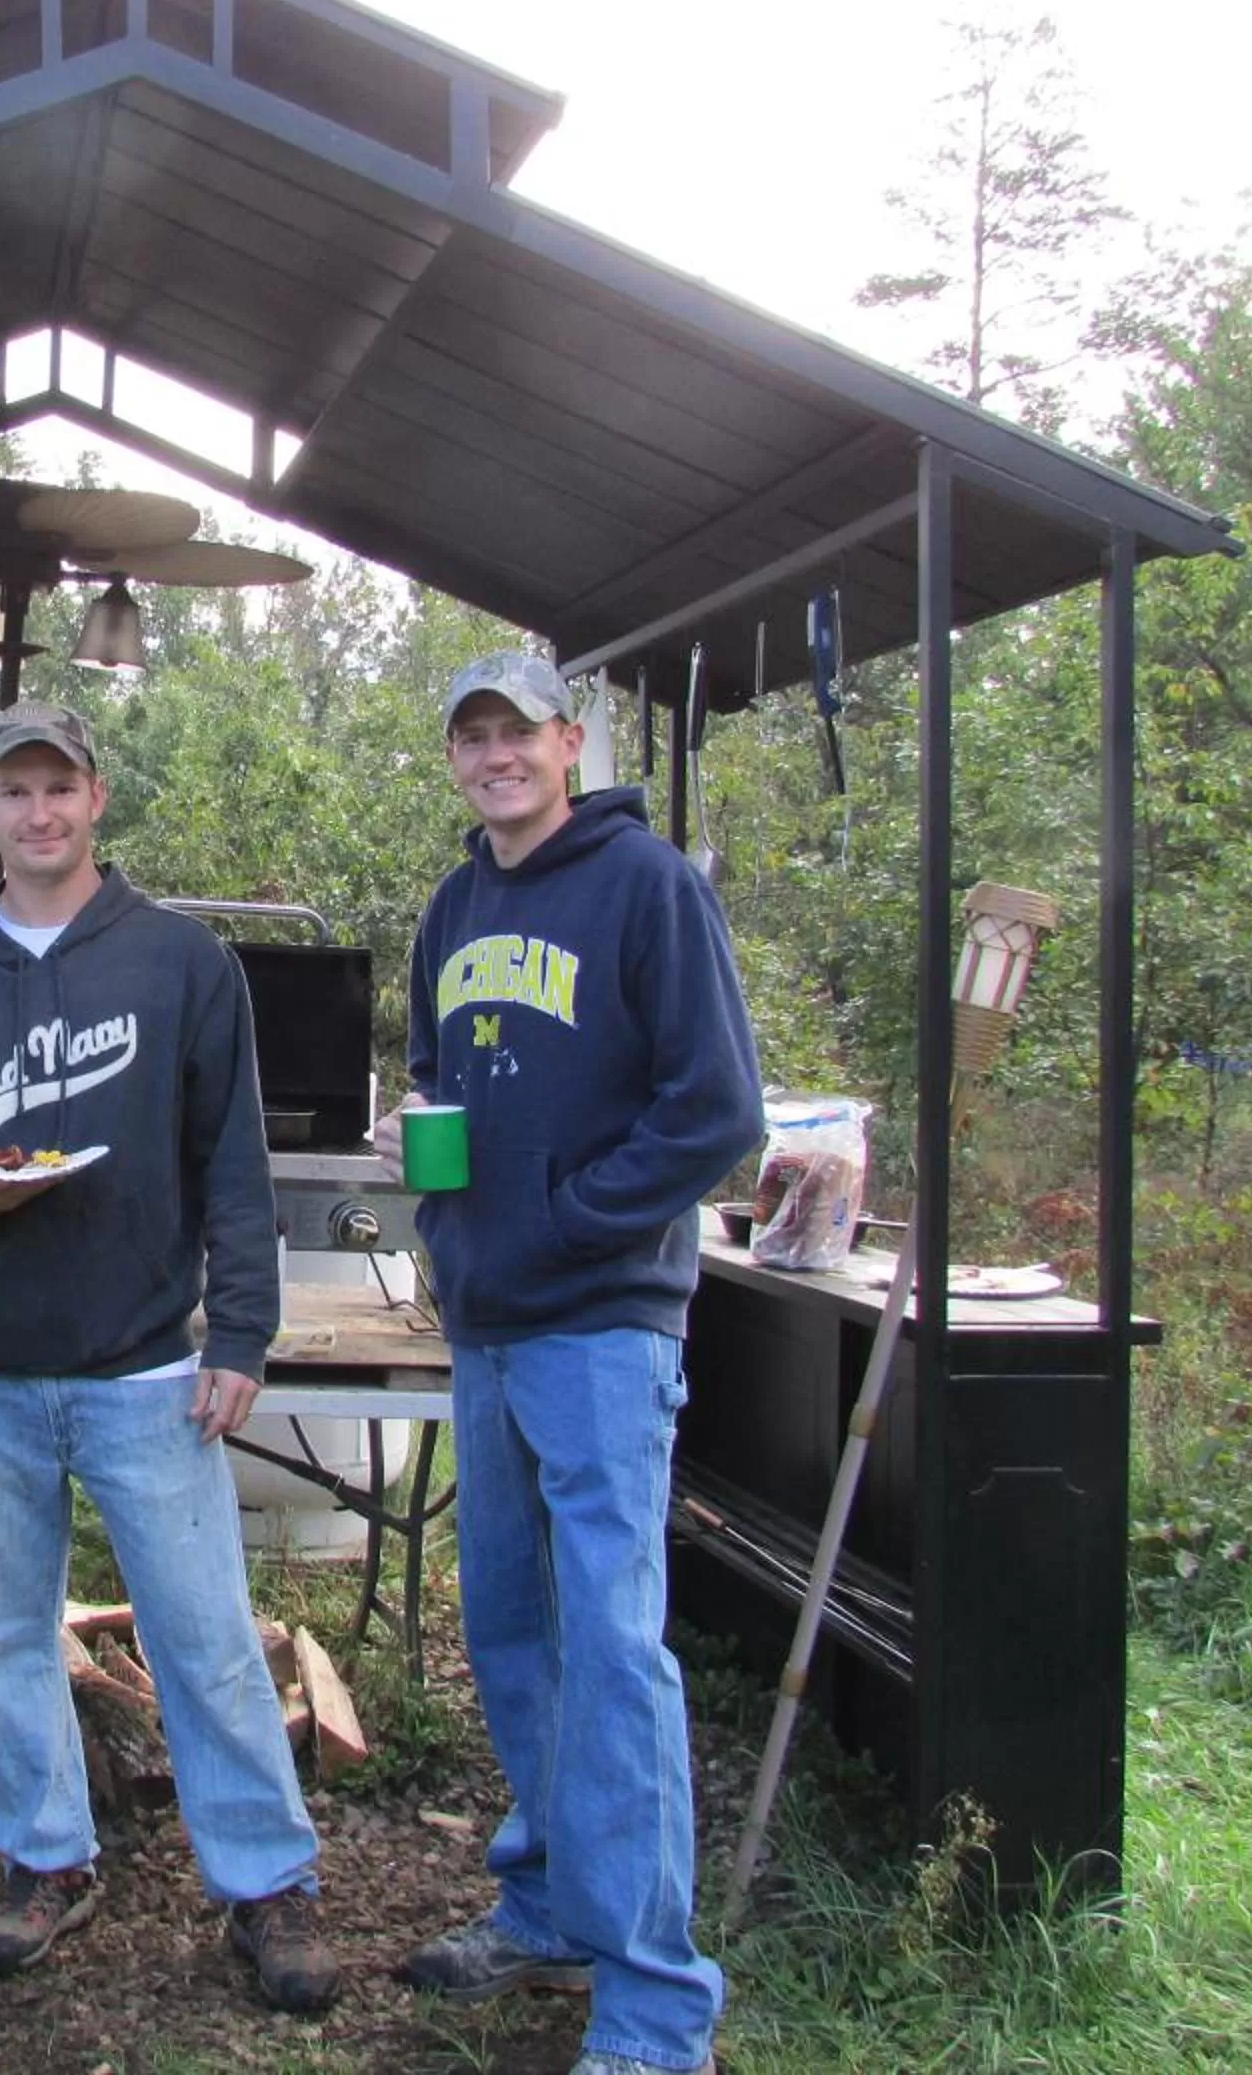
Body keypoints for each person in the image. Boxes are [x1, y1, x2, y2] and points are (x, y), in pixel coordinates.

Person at [0, 699, 339, 2015]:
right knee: (5, 1635)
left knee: (205, 1636)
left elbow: (233, 1160)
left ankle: (267, 1883)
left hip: (140, 1367)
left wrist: (240, 1330)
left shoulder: (180, 963)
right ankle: (45, 1857)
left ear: (96, 798)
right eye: (16, 791)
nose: (40, 812)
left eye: (60, 787)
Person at [378, 650, 759, 2075]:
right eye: (472, 737)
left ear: (570, 740)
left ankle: (658, 2007)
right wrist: (429, 1170)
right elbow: (432, 1068)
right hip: (486, 1322)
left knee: (611, 1650)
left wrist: (563, 1214)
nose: (497, 758)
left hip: (603, 1324)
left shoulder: (649, 884)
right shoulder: (456, 904)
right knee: (516, 1634)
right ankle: (543, 1899)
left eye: (518, 733)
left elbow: (718, 1108)